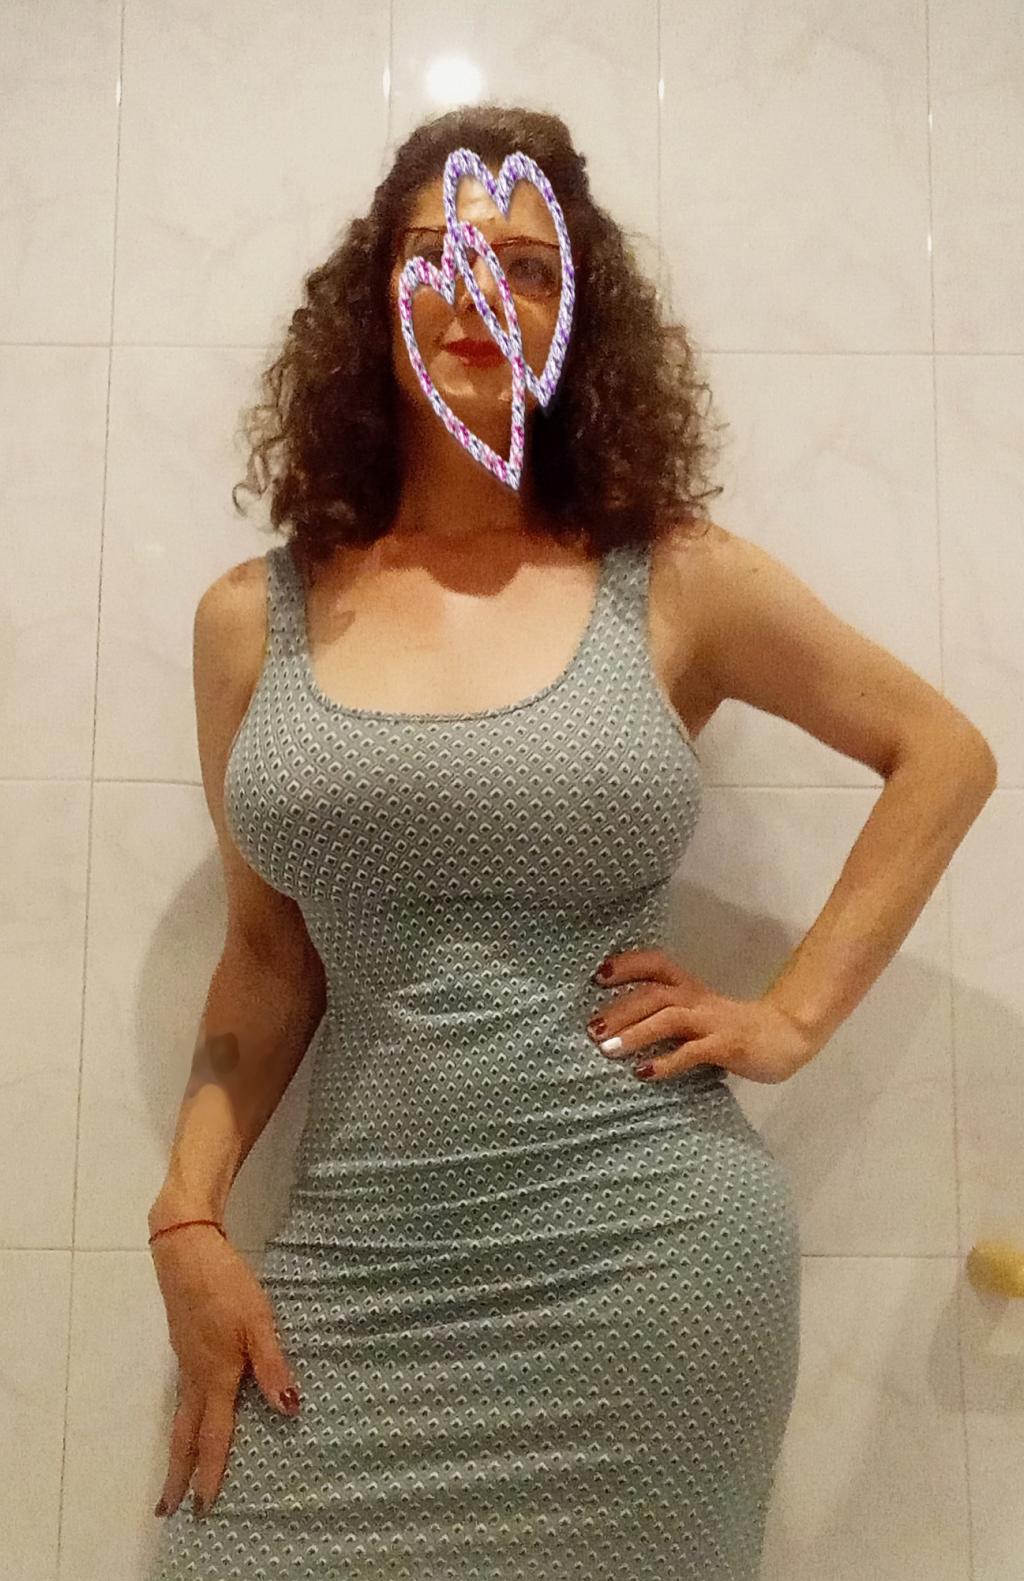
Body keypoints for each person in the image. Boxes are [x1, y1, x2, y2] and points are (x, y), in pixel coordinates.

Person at [145, 104, 995, 1580]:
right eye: (438, 256)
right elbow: (270, 960)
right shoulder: (249, 620)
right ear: (376, 303)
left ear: (575, 316)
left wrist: (790, 1015)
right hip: (360, 1257)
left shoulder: (672, 577)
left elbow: (945, 754)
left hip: (644, 1261)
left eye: (528, 267)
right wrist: (186, 1217)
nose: (480, 292)